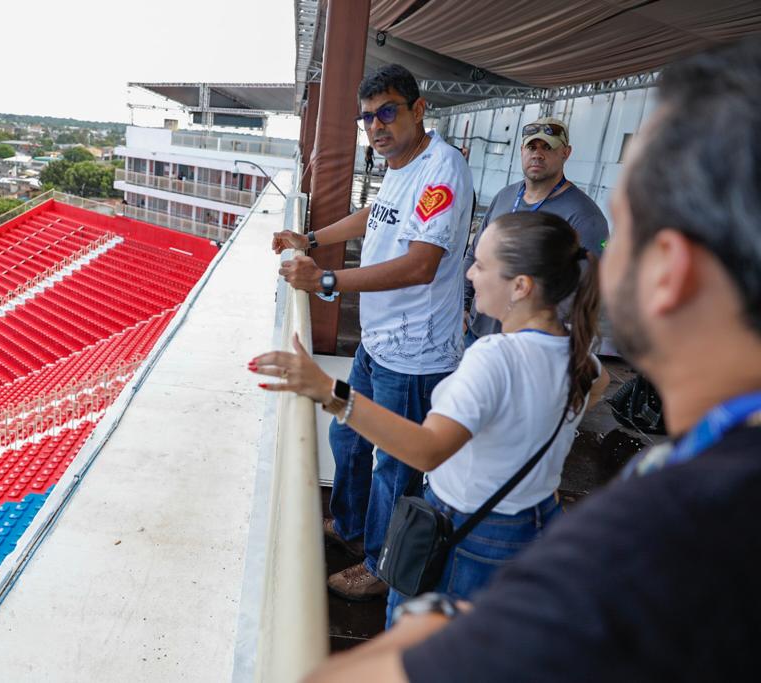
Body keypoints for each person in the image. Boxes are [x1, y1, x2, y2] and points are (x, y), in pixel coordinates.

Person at [300, 36, 761, 682]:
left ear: (670, 272)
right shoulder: (588, 376)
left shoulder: (663, 537)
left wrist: (434, 624)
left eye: (622, 229)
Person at [253, 211, 608, 627]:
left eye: (480, 263)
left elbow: (428, 451)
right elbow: (592, 392)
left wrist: (330, 393)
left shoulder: (496, 359)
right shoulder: (582, 358)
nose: (470, 273)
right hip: (532, 519)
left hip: (469, 531)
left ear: (520, 286)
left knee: (415, 645)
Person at [270, 64, 473, 602]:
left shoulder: (441, 169)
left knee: (394, 465)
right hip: (378, 341)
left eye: (387, 112)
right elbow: (373, 216)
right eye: (368, 118)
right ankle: (354, 527)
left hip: (415, 354)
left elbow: (420, 265)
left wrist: (327, 279)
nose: (376, 126)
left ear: (418, 108)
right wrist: (310, 237)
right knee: (348, 438)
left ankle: (383, 564)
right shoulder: (401, 167)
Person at [463, 117, 609, 345]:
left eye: (547, 147)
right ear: (521, 150)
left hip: (529, 345)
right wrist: (463, 305)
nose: (537, 154)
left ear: (566, 153)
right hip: (478, 333)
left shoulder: (584, 216)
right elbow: (474, 255)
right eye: (531, 146)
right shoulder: (505, 196)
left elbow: (585, 290)